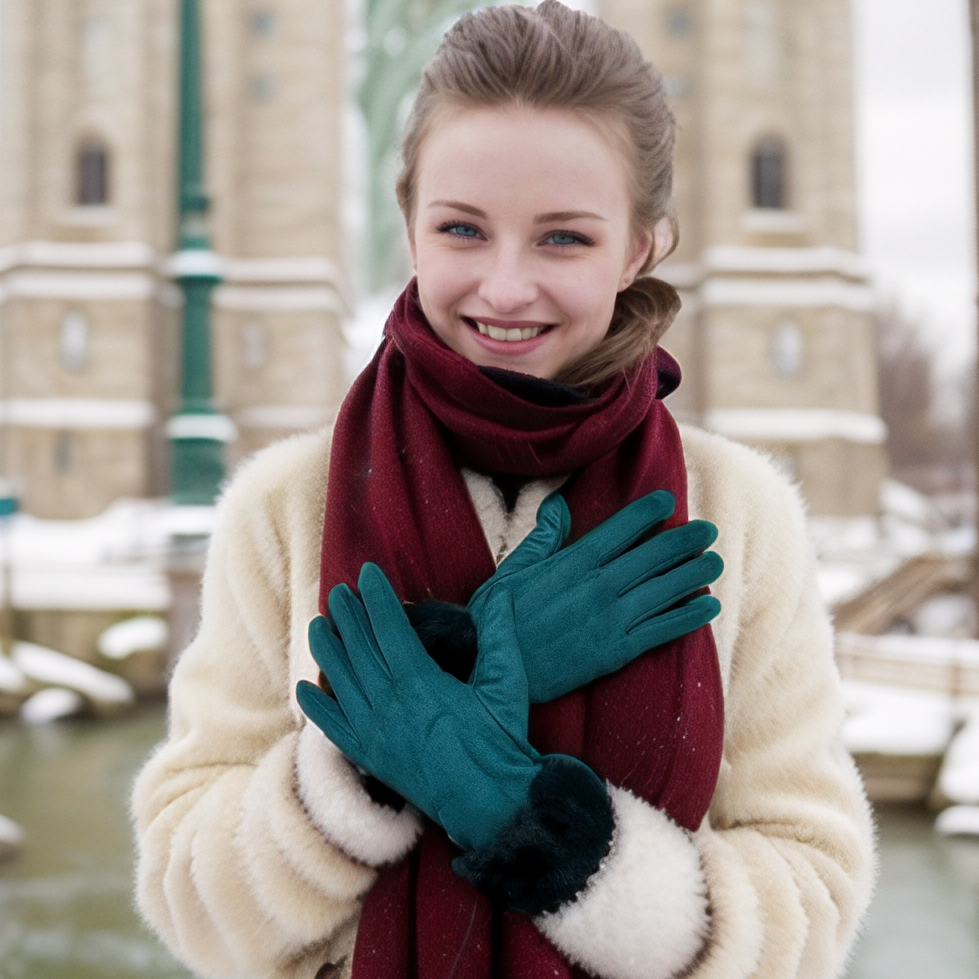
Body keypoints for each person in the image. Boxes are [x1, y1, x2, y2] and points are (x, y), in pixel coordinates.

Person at [132, 4, 875, 978]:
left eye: (562, 238)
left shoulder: (735, 513)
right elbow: (191, 901)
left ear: (640, 246)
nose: (505, 287)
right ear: (407, 223)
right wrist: (368, 759)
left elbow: (813, 898)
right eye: (461, 229)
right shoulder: (285, 504)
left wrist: (555, 838)